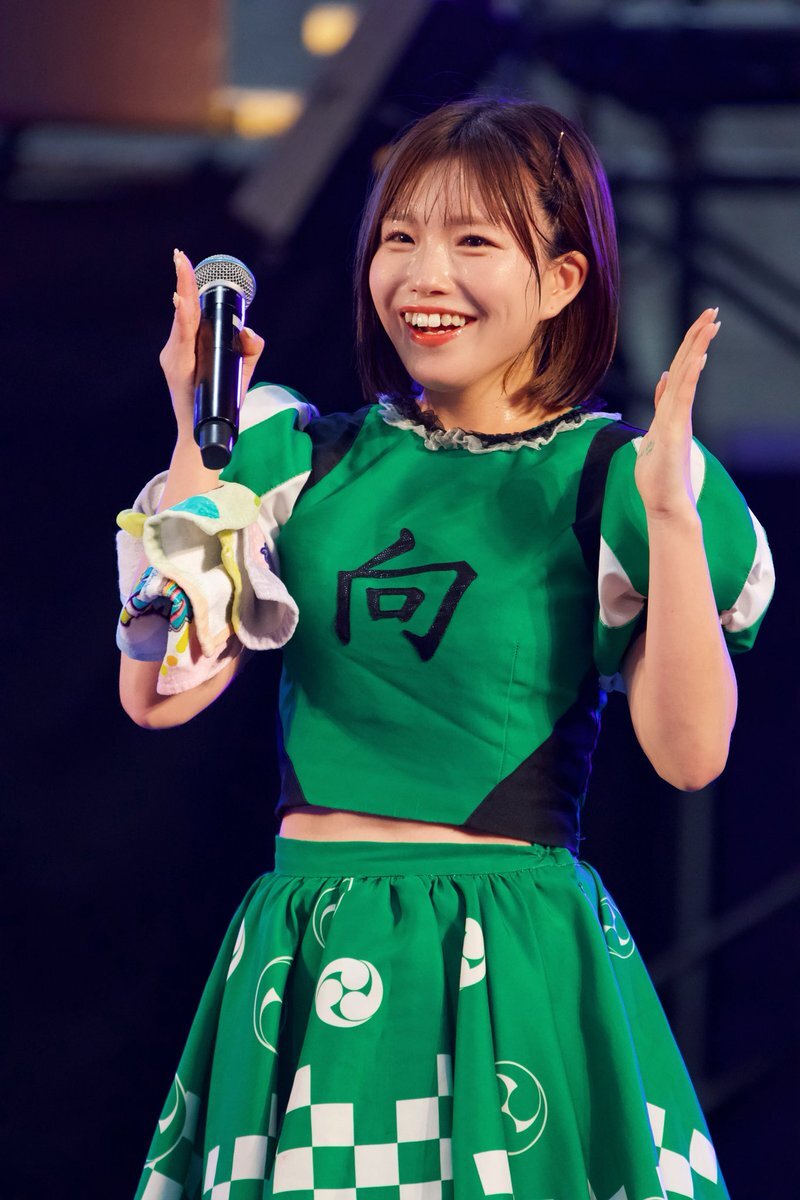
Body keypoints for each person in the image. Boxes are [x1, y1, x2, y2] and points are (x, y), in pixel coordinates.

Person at [117, 99, 774, 1200]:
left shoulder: (615, 478)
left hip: (503, 949)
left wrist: (668, 515)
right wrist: (197, 434)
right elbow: (159, 691)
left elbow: (691, 755)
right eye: (399, 237)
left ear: (562, 279)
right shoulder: (298, 459)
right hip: (311, 940)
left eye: (473, 241)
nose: (424, 276)